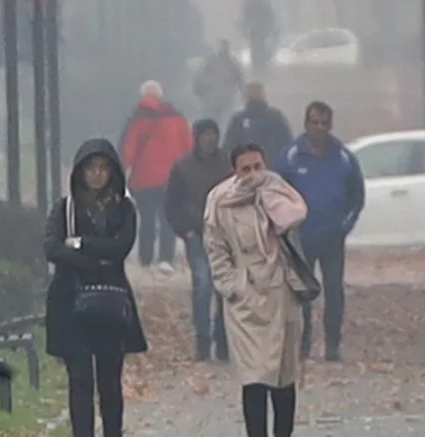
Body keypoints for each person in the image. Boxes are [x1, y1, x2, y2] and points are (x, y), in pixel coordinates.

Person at [44, 138, 148, 437]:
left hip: (110, 303)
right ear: (80, 172)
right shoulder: (64, 209)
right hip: (69, 301)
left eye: (103, 168)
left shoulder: (124, 209)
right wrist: (93, 260)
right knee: (79, 380)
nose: (97, 174)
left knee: (109, 381)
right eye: (91, 168)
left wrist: (81, 245)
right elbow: (52, 248)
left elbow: (120, 247)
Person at [204, 142, 309, 437]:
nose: (253, 174)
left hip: (282, 293)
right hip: (247, 299)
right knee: (254, 378)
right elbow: (215, 250)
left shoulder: (280, 191)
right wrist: (232, 286)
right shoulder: (220, 201)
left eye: (257, 166)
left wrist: (271, 200)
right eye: (245, 169)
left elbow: (295, 220)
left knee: (284, 376)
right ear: (235, 171)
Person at [272, 101, 365, 362]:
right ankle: (302, 343)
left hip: (332, 238)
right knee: (301, 292)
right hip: (300, 238)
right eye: (315, 123)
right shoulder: (290, 156)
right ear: (306, 124)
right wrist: (286, 225)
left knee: (334, 290)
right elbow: (276, 193)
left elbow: (356, 197)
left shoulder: (344, 157)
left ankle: (333, 343)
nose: (320, 128)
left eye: (325, 124)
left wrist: (344, 226)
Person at [165, 118, 234, 361]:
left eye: (213, 134)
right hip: (196, 234)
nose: (209, 139)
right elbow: (172, 204)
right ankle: (202, 339)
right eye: (205, 135)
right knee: (203, 285)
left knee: (224, 288)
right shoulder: (183, 167)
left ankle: (223, 337)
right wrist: (186, 231)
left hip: (225, 235)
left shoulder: (228, 165)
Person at [119, 80, 193, 271]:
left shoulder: (137, 118)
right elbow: (188, 147)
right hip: (172, 178)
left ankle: (145, 259)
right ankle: (165, 259)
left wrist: (121, 171)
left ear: (144, 96)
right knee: (167, 219)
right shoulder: (177, 118)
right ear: (160, 95)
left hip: (144, 179)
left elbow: (129, 149)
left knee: (147, 220)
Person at [223, 81, 295, 158]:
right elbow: (228, 148)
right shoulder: (238, 119)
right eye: (250, 91)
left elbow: (287, 144)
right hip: (247, 165)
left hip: (269, 166)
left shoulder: (275, 117)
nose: (253, 94)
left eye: (255, 91)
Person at [195, 40, 245, 125]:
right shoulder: (210, 62)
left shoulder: (232, 63)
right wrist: (199, 90)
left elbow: (240, 79)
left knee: (224, 121)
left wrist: (243, 93)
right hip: (212, 98)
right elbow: (200, 77)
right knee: (212, 120)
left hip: (225, 99)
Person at [242, 0, 280, 70]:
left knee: (256, 52)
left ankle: (258, 67)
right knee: (259, 51)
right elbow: (270, 17)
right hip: (260, 33)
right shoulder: (263, 5)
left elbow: (245, 19)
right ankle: (261, 67)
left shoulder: (250, 5)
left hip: (256, 33)